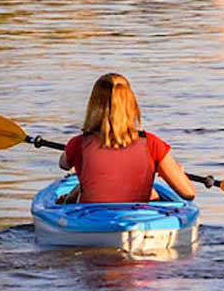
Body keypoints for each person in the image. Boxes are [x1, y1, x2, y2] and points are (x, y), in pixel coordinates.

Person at [58, 73, 196, 204]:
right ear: (132, 105)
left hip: (88, 219)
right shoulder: (152, 144)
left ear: (93, 106)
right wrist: (178, 173)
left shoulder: (78, 143)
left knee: (74, 194)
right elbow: (188, 193)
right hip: (137, 217)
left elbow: (63, 164)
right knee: (153, 194)